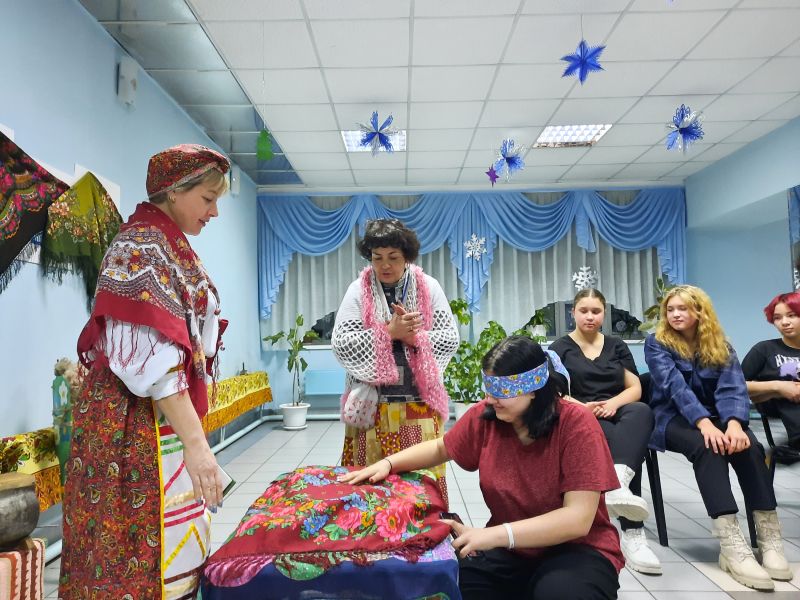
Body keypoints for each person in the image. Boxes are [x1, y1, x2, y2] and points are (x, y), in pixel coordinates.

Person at [59, 144, 231, 598]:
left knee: (176, 547)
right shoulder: (140, 247)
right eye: (208, 199)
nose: (214, 212)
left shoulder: (166, 244)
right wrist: (197, 446)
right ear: (174, 191)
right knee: (136, 547)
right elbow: (152, 364)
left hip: (159, 416)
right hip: (133, 424)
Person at [340, 336, 623, 600]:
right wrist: (387, 464)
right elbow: (441, 448)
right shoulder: (489, 417)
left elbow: (577, 519)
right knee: (452, 582)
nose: (490, 399)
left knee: (559, 593)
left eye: (501, 390)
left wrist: (493, 535)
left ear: (533, 388)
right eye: (488, 388)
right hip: (513, 550)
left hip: (577, 549)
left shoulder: (576, 425)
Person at [644, 285, 792, 591]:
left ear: (700, 311)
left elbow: (732, 387)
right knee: (707, 447)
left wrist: (735, 424)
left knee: (751, 447)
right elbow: (674, 388)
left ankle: (769, 536)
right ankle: (730, 543)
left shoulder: (720, 344)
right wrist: (703, 424)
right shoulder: (657, 343)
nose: (675, 314)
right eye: (670, 310)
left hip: (719, 416)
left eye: (683, 308)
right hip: (672, 417)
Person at [331, 218, 459, 504]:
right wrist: (388, 332)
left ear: (407, 257)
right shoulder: (358, 289)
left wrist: (415, 338)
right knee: (369, 490)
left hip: (419, 406)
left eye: (393, 257)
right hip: (371, 409)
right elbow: (341, 344)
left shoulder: (429, 287)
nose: (384, 265)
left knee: (420, 490)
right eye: (377, 258)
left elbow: (449, 338)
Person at [550, 288, 661, 575]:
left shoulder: (616, 346)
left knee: (641, 412)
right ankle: (632, 529)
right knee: (611, 436)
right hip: (579, 412)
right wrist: (584, 408)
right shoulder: (560, 347)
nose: (590, 316)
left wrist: (612, 404)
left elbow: (635, 388)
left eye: (596, 311)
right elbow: (556, 393)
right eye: (584, 311)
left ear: (604, 314)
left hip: (617, 407)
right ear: (573, 313)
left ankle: (619, 488)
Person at [742, 291, 800, 457]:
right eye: (777, 318)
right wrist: (777, 387)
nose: (784, 322)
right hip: (777, 404)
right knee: (787, 397)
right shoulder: (764, 349)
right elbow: (733, 385)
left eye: (792, 315)